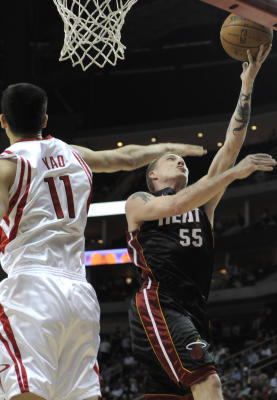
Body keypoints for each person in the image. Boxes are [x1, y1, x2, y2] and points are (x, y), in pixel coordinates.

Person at [0, 82, 207, 400]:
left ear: (3, 121)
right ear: (44, 120)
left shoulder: (7, 167)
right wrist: (170, 148)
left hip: (31, 287)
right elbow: (126, 157)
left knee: (25, 389)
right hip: (79, 295)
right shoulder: (73, 154)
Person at [125, 45, 274, 400]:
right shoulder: (139, 202)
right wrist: (232, 175)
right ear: (153, 175)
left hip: (193, 308)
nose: (180, 162)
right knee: (209, 383)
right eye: (171, 159)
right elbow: (178, 202)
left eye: (182, 161)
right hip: (160, 303)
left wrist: (248, 83)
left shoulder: (203, 202)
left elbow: (232, 146)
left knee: (168, 397)